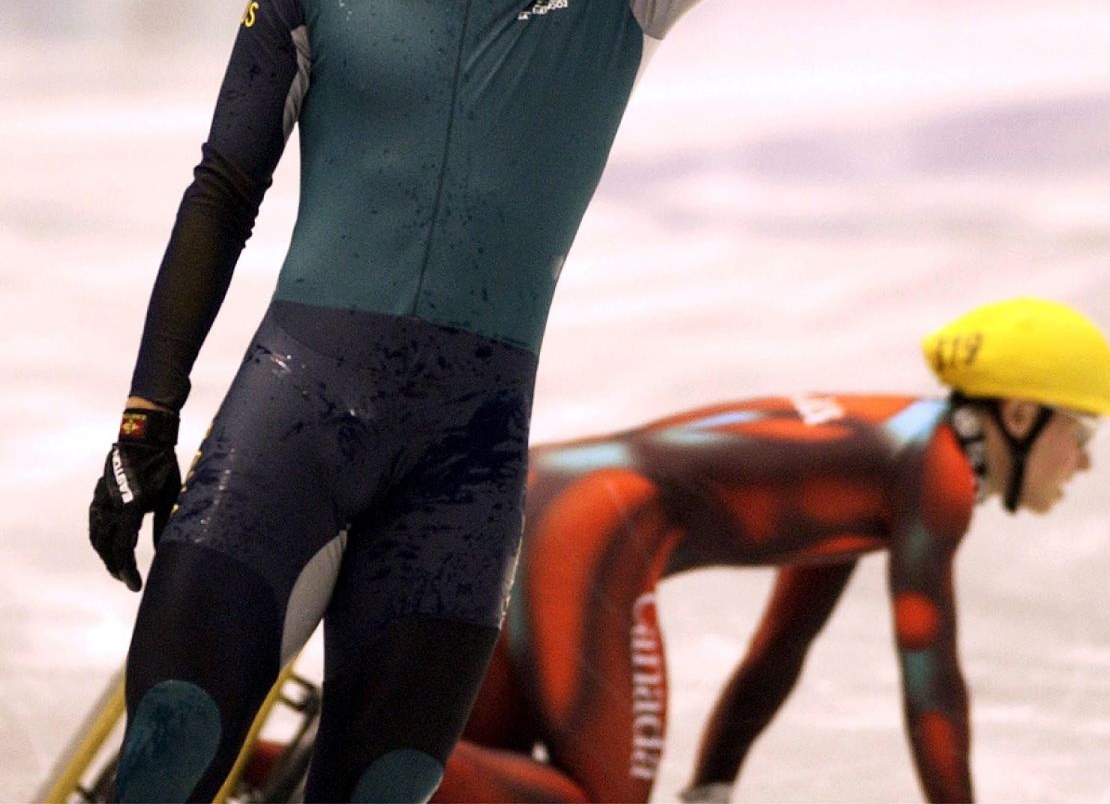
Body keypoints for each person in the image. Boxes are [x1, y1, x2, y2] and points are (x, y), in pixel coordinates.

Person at [87, 0, 1057, 804]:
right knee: (162, 763)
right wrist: (150, 413)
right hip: (286, 428)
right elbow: (223, 191)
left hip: (465, 468)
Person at [430, 298, 1109, 804]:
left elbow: (784, 640)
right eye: (1081, 431)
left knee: (479, 769)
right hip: (591, 522)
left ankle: (354, 757)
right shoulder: (938, 477)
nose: (1083, 461)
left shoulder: (887, 451)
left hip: (535, 486)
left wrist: (714, 782)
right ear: (1020, 415)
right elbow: (931, 677)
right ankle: (346, 756)